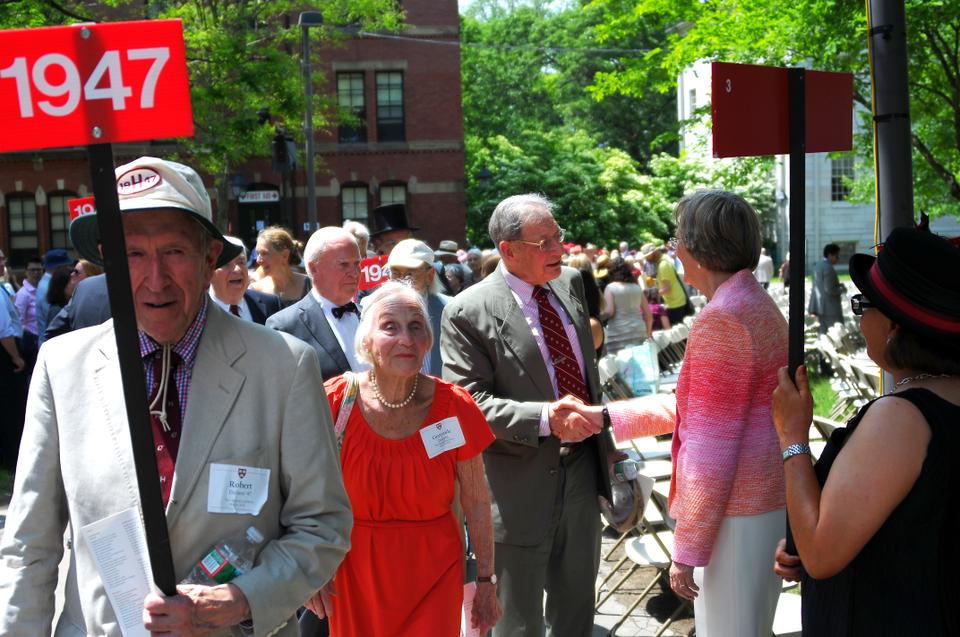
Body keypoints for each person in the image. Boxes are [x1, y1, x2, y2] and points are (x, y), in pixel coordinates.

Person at [0, 156, 353, 637]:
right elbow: (29, 545)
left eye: (174, 252)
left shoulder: (282, 366)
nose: (155, 278)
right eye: (133, 255)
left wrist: (239, 600)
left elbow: (323, 524)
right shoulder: (63, 366)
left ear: (210, 256)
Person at [567, 190, 788, 636]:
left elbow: (711, 449)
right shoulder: (748, 302)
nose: (675, 249)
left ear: (700, 249)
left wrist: (687, 549)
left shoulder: (723, 317)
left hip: (735, 514)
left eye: (678, 239)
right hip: (754, 504)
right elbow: (700, 409)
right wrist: (606, 416)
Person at [441, 193, 615, 637]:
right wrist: (545, 418)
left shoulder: (571, 283)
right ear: (509, 250)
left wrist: (607, 450)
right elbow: (469, 402)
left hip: (581, 473)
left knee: (577, 613)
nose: (559, 250)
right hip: (515, 487)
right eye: (545, 243)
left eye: (558, 237)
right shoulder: (467, 311)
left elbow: (586, 375)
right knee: (517, 625)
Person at [772, 226, 960, 636]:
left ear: (893, 325)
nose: (859, 320)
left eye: (862, 306)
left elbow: (822, 554)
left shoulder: (903, 418)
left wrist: (793, 438)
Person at [306, 281, 501, 636]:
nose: (406, 339)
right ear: (366, 341)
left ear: (429, 339)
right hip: (353, 573)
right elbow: (304, 492)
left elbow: (476, 500)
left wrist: (486, 578)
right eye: (390, 327)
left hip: (434, 571)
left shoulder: (453, 406)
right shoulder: (336, 402)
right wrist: (310, 568)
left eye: (415, 327)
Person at [267, 226, 369, 381]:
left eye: (357, 264)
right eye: (343, 264)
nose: (355, 273)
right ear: (314, 268)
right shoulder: (286, 326)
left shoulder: (371, 316)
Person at [384, 239, 451, 377]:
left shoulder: (450, 310)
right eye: (395, 273)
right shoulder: (370, 309)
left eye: (410, 274)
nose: (402, 281)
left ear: (430, 275)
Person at [208, 236, 282, 324]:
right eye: (226, 264)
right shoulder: (196, 312)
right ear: (208, 271)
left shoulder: (271, 304)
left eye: (241, 262)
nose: (237, 269)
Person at [602, 256, 654, 354]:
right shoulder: (636, 288)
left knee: (622, 368)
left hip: (618, 335)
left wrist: (598, 317)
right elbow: (649, 315)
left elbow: (610, 312)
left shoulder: (610, 288)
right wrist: (647, 333)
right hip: (639, 331)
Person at [250, 226, 311, 304]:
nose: (258, 260)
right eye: (258, 253)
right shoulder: (255, 291)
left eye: (264, 253)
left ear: (284, 255)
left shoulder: (310, 285)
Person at [0, 281, 25, 469]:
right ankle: (13, 458)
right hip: (6, 353)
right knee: (11, 408)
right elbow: (3, 330)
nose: (3, 262)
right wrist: (16, 356)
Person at [34, 248, 73, 348]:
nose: (69, 269)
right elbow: (55, 319)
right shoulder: (49, 285)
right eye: (66, 265)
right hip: (53, 344)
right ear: (59, 267)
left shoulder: (45, 282)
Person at [642, 242, 687, 324]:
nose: (647, 259)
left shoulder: (663, 265)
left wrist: (651, 296)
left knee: (678, 334)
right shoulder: (665, 259)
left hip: (674, 303)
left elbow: (667, 288)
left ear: (654, 253)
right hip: (676, 300)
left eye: (648, 257)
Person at [13, 255, 43, 371]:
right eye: (32, 270)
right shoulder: (23, 294)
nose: (36, 273)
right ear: (26, 272)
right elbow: (18, 319)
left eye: (39, 270)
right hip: (31, 341)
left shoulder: (43, 288)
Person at [808, 243, 845, 334]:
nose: (838, 258)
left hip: (819, 305)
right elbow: (830, 289)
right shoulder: (828, 268)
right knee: (837, 333)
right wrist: (842, 290)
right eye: (837, 255)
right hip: (830, 307)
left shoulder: (818, 265)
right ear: (830, 255)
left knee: (823, 333)